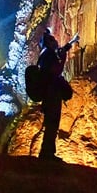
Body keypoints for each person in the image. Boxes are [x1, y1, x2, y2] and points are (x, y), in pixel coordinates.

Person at [36, 28, 77, 162]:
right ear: (49, 43)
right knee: (52, 122)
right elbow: (56, 70)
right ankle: (47, 153)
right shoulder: (48, 55)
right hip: (51, 93)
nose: (56, 41)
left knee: (51, 123)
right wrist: (63, 60)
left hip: (49, 93)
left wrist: (71, 42)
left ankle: (47, 152)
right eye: (53, 40)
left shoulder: (46, 54)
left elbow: (60, 52)